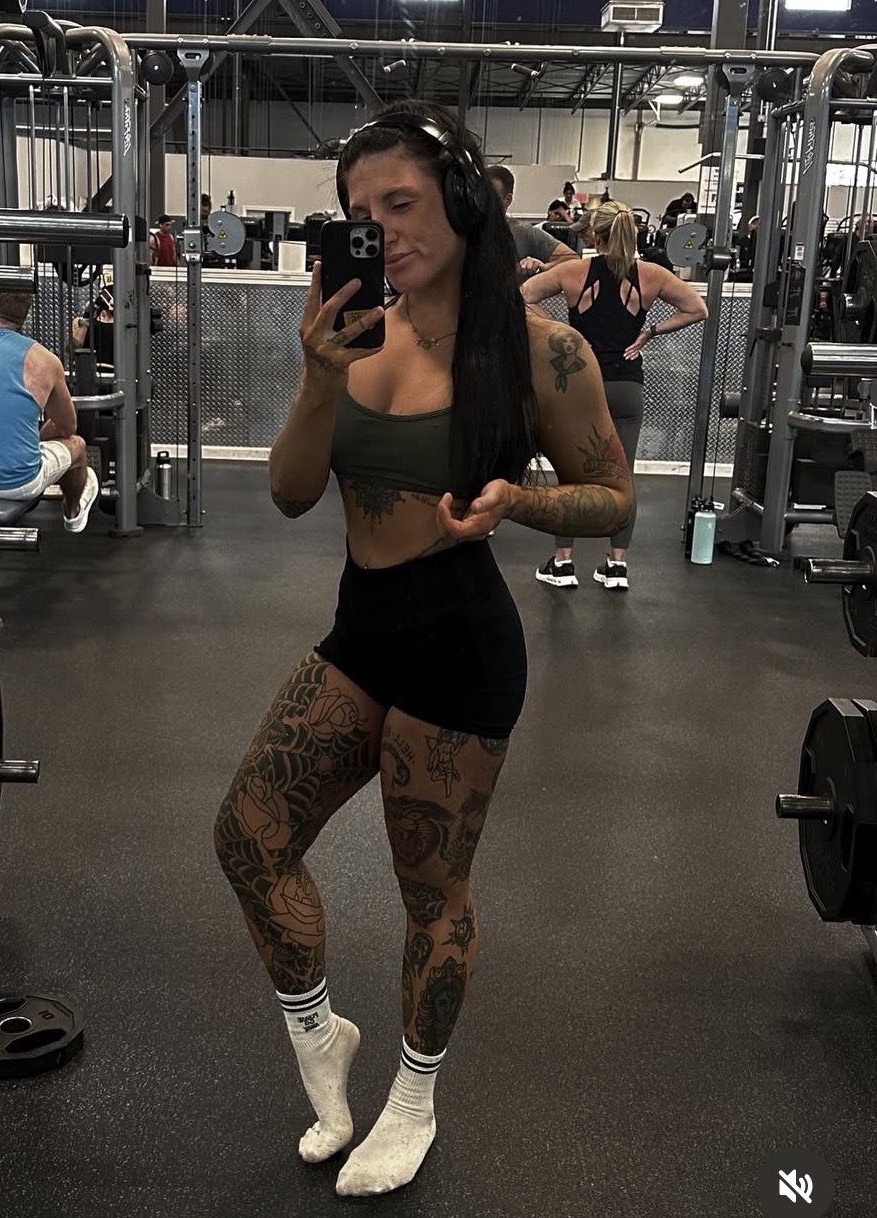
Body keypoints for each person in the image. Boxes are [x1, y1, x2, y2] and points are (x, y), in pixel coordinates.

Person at [214, 100, 634, 1199]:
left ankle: (414, 1096)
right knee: (248, 836)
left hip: (460, 645)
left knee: (430, 894)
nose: (381, 229)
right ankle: (322, 1036)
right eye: (361, 211)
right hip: (362, 629)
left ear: (459, 202)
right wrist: (316, 377)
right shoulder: (354, 337)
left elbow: (615, 499)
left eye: (400, 203)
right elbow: (291, 494)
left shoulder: (540, 351)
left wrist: (520, 502)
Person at [522, 201, 707, 591]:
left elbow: (522, 296)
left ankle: (562, 563)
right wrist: (649, 332)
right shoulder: (652, 274)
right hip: (627, 386)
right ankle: (617, 566)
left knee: (573, 473)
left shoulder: (573, 272)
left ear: (595, 235)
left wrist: (563, 333)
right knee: (623, 478)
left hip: (583, 387)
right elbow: (697, 308)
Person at [0, 292, 99, 531]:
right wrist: (37, 440)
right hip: (18, 484)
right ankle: (73, 512)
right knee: (77, 445)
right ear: (24, 316)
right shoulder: (45, 361)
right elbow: (67, 427)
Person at [484, 165, 578, 276]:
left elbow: (573, 260)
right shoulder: (468, 231)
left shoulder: (523, 233)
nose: (483, 201)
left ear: (507, 200)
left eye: (491, 197)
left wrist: (543, 267)